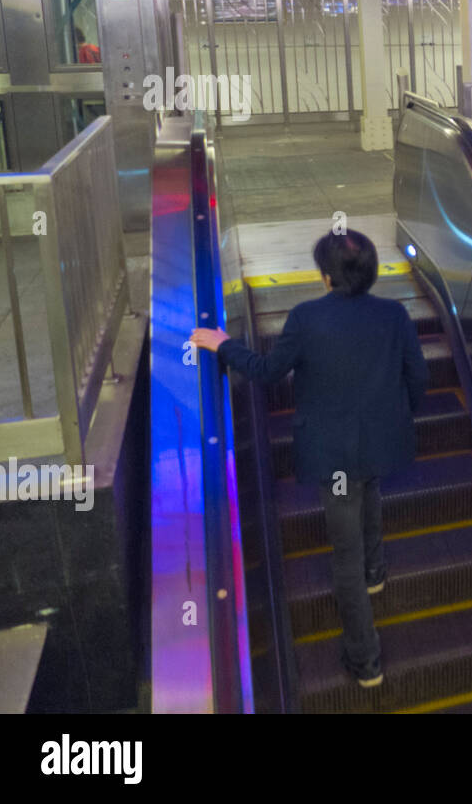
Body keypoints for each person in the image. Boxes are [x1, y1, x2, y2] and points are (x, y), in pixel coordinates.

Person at [190, 230, 430, 689]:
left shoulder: (306, 318)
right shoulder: (394, 314)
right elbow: (416, 376)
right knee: (371, 487)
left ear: (324, 276)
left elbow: (267, 371)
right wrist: (400, 417)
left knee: (344, 553)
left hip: (334, 458)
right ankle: (376, 571)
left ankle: (366, 660)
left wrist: (223, 344)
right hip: (380, 441)